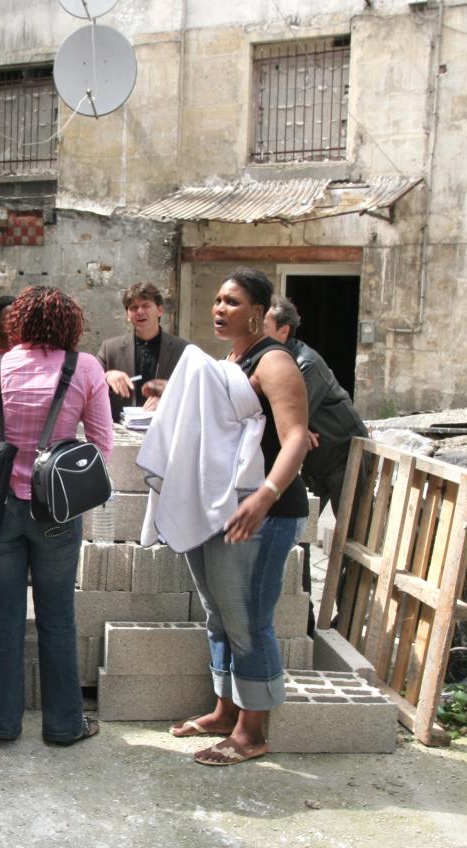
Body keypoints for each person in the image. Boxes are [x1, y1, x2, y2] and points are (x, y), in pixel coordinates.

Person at [167, 268, 309, 766]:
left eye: (232, 302)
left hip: (266, 513)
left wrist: (267, 495)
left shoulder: (273, 361)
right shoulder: (231, 359)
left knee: (249, 619)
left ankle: (253, 731)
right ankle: (226, 709)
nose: (219, 309)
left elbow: (295, 438)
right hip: (224, 508)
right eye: (218, 300)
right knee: (220, 614)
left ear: (258, 311)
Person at [0, 286, 113, 745]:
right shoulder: (86, 368)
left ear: (17, 324)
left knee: (4, 618)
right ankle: (64, 725)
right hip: (57, 510)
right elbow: (102, 445)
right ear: (71, 325)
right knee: (57, 617)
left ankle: (3, 724)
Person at [264, 296, 367, 515]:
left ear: (283, 332)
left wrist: (296, 428)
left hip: (344, 454)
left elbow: (285, 416)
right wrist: (300, 430)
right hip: (313, 457)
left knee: (349, 532)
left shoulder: (305, 364)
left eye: (263, 327)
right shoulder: (269, 360)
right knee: (300, 526)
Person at [96, 282, 190, 421]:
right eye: (134, 307)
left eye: (146, 305)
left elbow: (195, 390)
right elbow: (88, 381)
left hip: (165, 430)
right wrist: (107, 375)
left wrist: (167, 400)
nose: (139, 311)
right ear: (128, 315)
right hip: (122, 433)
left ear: (160, 310)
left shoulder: (182, 349)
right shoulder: (110, 348)